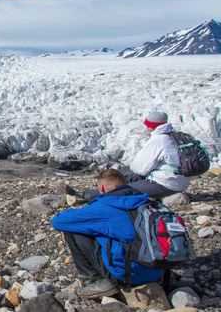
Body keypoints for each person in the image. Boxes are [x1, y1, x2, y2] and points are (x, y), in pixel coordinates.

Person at [51, 169, 163, 299]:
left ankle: (94, 280)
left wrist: (84, 209)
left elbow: (58, 222)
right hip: (158, 269)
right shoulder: (146, 202)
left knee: (74, 230)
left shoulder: (106, 206)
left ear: (102, 188)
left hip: (129, 274)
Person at [126, 111, 189, 199]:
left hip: (167, 184)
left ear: (151, 126)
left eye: (147, 125)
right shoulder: (174, 136)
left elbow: (139, 168)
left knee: (123, 190)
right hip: (179, 181)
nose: (146, 127)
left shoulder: (159, 140)